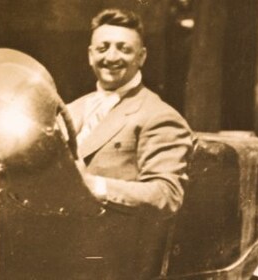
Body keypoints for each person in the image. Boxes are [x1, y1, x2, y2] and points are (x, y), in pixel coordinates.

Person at [66, 9, 193, 277]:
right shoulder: (70, 110)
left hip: (113, 262)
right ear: (90, 55)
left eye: (123, 49)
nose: (111, 57)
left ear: (141, 56)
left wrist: (94, 185)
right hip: (60, 250)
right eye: (103, 48)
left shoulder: (158, 115)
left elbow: (166, 194)